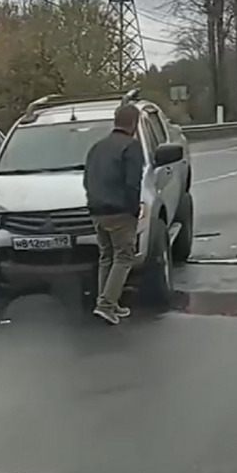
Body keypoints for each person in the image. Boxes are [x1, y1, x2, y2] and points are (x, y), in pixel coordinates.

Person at [83, 103, 144, 325]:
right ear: (134, 123)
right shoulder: (131, 147)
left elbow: (86, 179)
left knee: (106, 257)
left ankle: (109, 301)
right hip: (120, 212)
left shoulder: (97, 147)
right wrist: (134, 210)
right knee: (124, 257)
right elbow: (132, 184)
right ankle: (106, 305)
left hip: (97, 211)